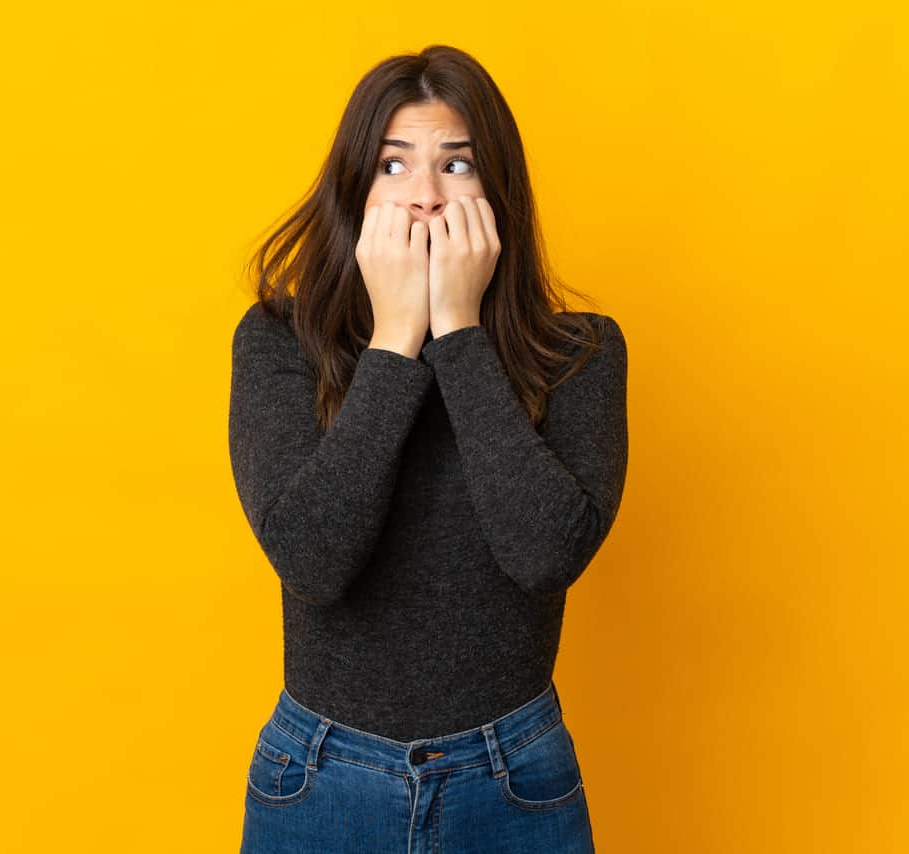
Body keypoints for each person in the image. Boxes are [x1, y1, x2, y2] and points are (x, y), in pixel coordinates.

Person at [229, 43, 628, 853]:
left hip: (515, 781)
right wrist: (396, 340)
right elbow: (311, 558)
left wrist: (460, 333)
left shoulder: (580, 353)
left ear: (497, 192)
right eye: (393, 165)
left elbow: (545, 552)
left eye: (456, 166)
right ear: (355, 187)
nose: (422, 197)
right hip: (321, 780)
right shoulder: (279, 343)